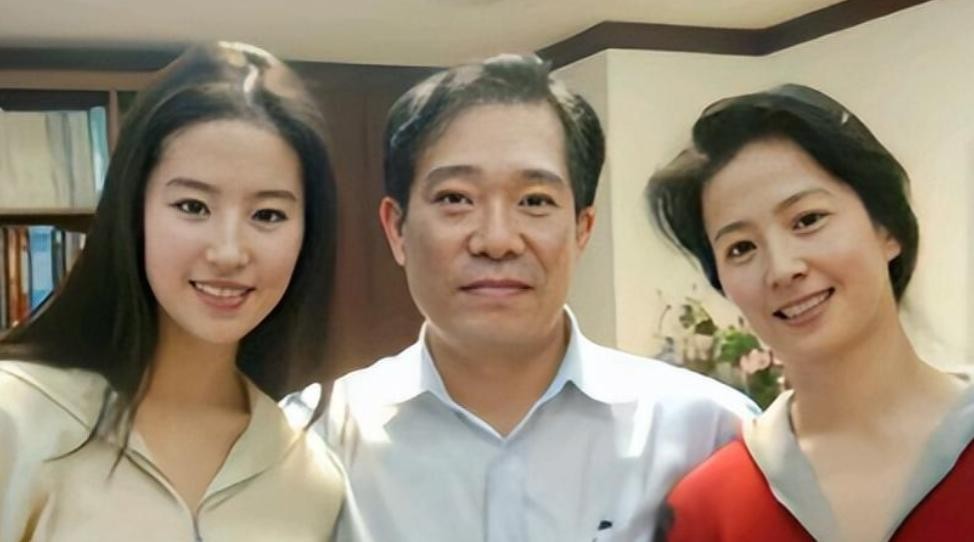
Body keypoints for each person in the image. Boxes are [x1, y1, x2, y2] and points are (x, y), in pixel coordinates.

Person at [324, 53, 758, 542]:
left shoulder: (705, 431)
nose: (496, 240)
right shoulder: (317, 442)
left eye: (534, 201)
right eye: (455, 199)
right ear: (397, 229)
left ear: (582, 229)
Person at [0, 42, 344, 541]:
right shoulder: (17, 417)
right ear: (133, 210)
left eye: (268, 214)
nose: (228, 252)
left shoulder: (309, 478)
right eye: (193, 206)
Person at [648, 84, 974, 541]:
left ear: (888, 229)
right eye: (741, 248)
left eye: (807, 220)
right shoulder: (708, 509)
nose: (782, 269)